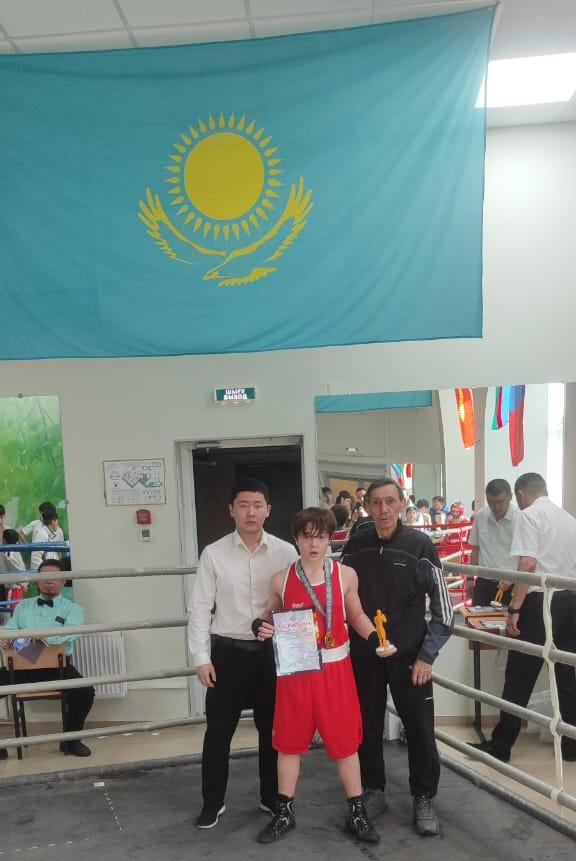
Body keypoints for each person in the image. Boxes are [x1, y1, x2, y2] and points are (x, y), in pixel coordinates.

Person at [253, 507, 382, 845]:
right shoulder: (281, 579)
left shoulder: (345, 575)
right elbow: (267, 614)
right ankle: (284, 812)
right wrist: (259, 626)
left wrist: (374, 638)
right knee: (288, 744)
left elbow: (357, 614)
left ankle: (356, 812)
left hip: (336, 670)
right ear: (296, 539)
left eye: (321, 537)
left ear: (329, 539)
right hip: (296, 671)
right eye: (307, 536)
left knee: (345, 744)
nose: (314, 544)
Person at [342, 479, 454, 836]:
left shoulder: (419, 545)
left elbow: (444, 610)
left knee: (419, 729)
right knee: (366, 726)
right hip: (364, 654)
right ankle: (373, 789)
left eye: (390, 501)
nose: (384, 509)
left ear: (402, 503)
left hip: (410, 657)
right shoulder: (355, 546)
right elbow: (339, 597)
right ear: (367, 507)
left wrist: (427, 655)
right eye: (376, 502)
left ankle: (423, 796)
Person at [187, 479, 298, 829]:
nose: (251, 512)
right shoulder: (214, 553)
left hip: (271, 655)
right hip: (227, 654)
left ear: (268, 510)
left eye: (257, 505)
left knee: (272, 732)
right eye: (243, 505)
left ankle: (271, 797)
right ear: (231, 510)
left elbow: (296, 605)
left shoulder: (286, 553)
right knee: (218, 733)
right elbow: (199, 608)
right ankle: (213, 802)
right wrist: (201, 658)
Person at [470, 473, 576, 763]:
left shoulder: (529, 516)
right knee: (566, 675)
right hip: (570, 600)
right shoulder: (568, 519)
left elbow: (527, 564)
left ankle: (501, 745)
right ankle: (571, 746)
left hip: (541, 601)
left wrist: (515, 608)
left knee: (519, 675)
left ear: (520, 495)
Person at [0, 559, 95, 759]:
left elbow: (73, 632)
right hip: (20, 668)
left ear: (63, 581)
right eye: (44, 577)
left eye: (54, 577)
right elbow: (9, 630)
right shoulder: (23, 606)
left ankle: (71, 741)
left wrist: (46, 638)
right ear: (37, 580)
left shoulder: (73, 609)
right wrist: (6, 639)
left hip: (58, 668)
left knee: (85, 692)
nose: (48, 582)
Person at [468, 479, 518, 606]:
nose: (495, 507)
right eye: (491, 502)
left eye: (500, 502)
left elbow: (526, 557)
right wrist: (470, 578)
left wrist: (513, 578)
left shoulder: (521, 518)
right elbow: (476, 549)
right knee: (477, 618)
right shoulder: (481, 516)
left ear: (510, 497)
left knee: (510, 619)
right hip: (484, 582)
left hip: (512, 583)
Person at [20, 504, 64, 570]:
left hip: (50, 568)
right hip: (44, 571)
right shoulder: (42, 534)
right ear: (53, 521)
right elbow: (36, 558)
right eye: (57, 521)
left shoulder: (51, 533)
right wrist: (44, 571)